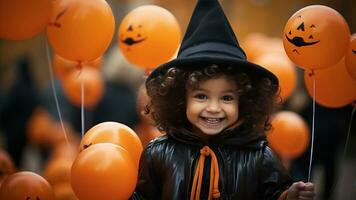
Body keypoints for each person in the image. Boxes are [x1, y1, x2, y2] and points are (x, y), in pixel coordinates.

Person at [131, 0, 315, 199]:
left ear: (244, 101)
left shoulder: (260, 156)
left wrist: (288, 196)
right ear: (180, 99)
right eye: (201, 96)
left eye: (226, 98)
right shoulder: (158, 153)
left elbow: (273, 194)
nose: (213, 107)